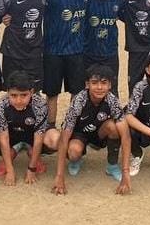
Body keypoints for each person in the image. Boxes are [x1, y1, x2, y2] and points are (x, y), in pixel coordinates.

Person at [51, 64, 131, 195]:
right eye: (94, 83)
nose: (99, 87)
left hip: (99, 133)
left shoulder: (112, 100)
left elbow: (126, 136)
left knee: (114, 127)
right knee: (73, 151)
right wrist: (59, 176)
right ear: (87, 84)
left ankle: (112, 165)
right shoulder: (79, 101)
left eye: (104, 83)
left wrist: (126, 173)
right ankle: (76, 159)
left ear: (110, 85)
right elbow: (64, 137)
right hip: (79, 134)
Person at [43, 0, 91, 126]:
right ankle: (50, 127)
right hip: (52, 52)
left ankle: (71, 126)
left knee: (77, 93)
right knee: (52, 93)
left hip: (77, 52)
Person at [0, 70, 60, 186]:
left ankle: (32, 154)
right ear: (8, 92)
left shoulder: (40, 105)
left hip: (32, 137)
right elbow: (3, 138)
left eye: (24, 95)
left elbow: (39, 139)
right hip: (12, 136)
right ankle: (11, 153)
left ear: (32, 92)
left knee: (56, 140)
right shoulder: (1, 105)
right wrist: (10, 171)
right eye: (13, 95)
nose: (19, 100)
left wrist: (31, 168)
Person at [0, 0, 48, 93]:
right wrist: (4, 18)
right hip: (11, 51)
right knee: (11, 92)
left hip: (34, 51)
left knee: (34, 92)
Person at [83, 0, 126, 94]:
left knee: (111, 89)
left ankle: (113, 114)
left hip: (110, 52)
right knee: (87, 88)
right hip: (88, 52)